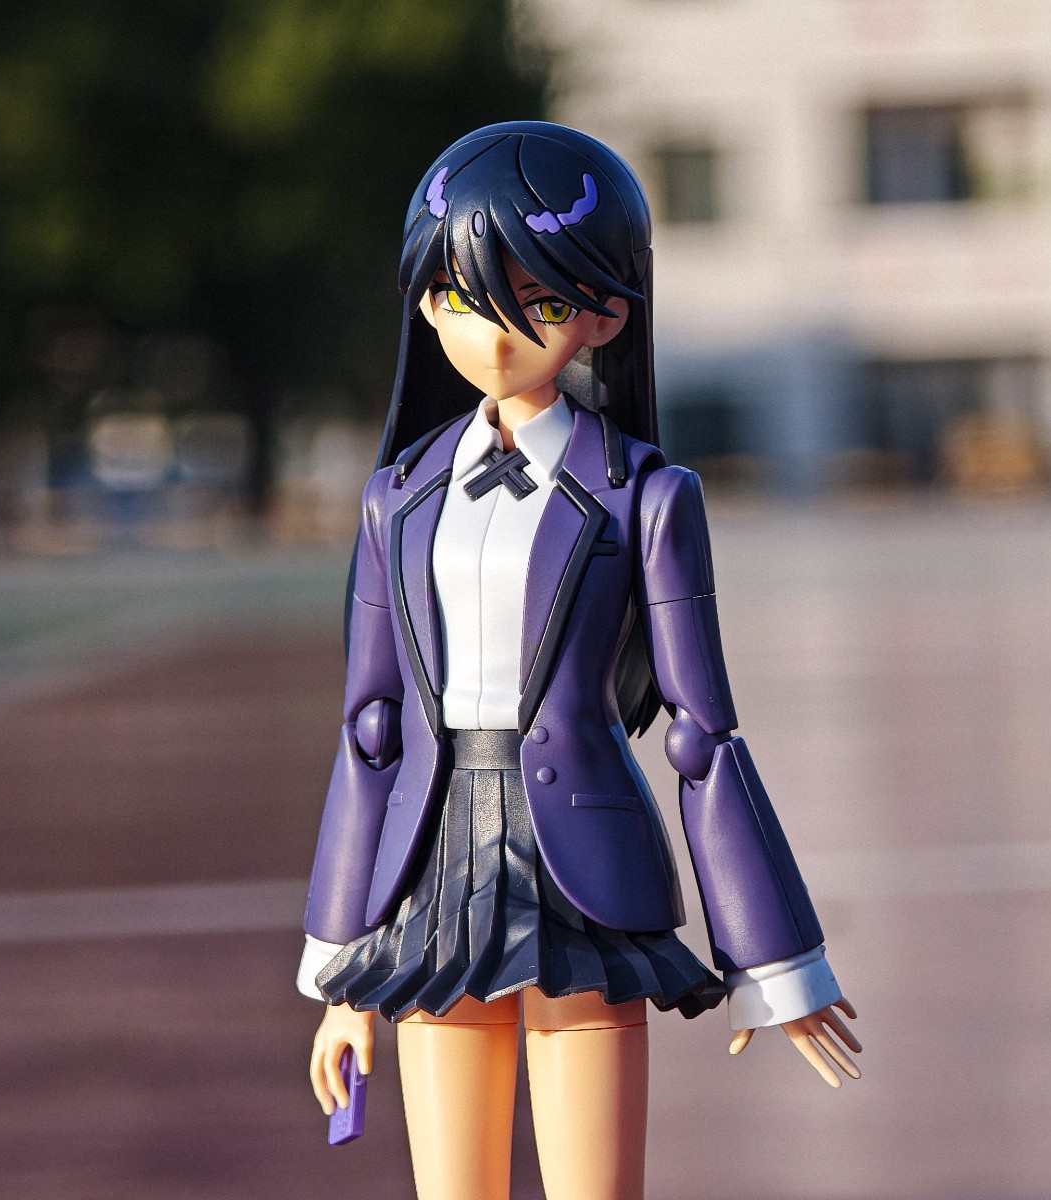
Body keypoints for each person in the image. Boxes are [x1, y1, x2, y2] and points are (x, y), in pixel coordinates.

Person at [295, 121, 862, 1200]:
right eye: (460, 295)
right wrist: (336, 968)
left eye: (541, 304)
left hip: (582, 866)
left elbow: (701, 734)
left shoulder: (644, 494)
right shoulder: (394, 500)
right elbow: (372, 733)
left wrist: (775, 957)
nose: (495, 333)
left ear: (606, 313)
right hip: (428, 865)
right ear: (425, 302)